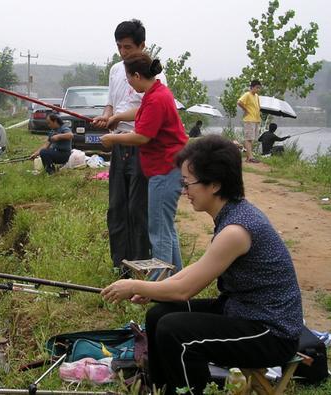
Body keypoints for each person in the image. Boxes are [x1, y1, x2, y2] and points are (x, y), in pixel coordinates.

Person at [101, 135, 303, 394]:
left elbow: (185, 290)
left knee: (176, 332)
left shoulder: (236, 230)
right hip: (242, 310)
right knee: (158, 315)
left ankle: (190, 391)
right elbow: (193, 273)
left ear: (215, 185)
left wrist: (132, 285)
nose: (184, 191)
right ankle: (162, 387)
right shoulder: (232, 214)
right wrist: (148, 288)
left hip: (270, 332)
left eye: (187, 184)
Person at [92, 19, 168, 272]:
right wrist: (107, 116)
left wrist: (116, 119)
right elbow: (111, 102)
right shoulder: (115, 70)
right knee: (117, 206)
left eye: (128, 47)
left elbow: (149, 109)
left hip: (141, 144)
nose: (123, 52)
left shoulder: (153, 73)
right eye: (119, 47)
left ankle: (139, 264)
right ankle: (119, 264)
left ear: (142, 45)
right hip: (119, 144)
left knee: (138, 208)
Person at [100, 53, 187, 272]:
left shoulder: (157, 98)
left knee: (158, 232)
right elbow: (140, 112)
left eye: (128, 79)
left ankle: (159, 285)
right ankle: (176, 280)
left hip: (165, 171)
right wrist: (117, 118)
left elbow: (142, 137)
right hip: (168, 169)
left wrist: (113, 138)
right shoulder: (155, 92)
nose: (128, 84)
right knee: (166, 230)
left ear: (137, 76)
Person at [237, 80, 262, 163]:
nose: (258, 89)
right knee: (248, 138)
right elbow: (239, 102)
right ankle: (251, 157)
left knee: (252, 138)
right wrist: (246, 109)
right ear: (251, 87)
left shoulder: (257, 96)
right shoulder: (247, 94)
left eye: (259, 88)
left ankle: (248, 157)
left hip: (256, 119)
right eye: (256, 88)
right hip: (249, 119)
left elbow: (258, 106)